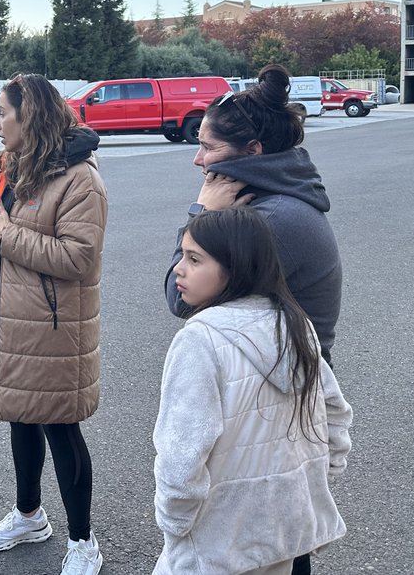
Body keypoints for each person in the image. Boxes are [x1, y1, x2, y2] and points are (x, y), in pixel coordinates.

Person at [0, 73, 108, 575]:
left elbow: (79, 258)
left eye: (3, 113)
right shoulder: (13, 164)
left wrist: (6, 232)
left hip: (51, 327)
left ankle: (83, 541)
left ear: (31, 117)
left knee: (60, 429)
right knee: (20, 416)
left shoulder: (80, 179)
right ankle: (29, 516)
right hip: (4, 315)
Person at [153, 208, 352, 574]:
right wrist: (319, 477)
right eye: (183, 255)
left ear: (235, 267)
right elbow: (334, 414)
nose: (178, 268)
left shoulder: (199, 341)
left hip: (216, 541)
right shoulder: (295, 324)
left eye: (194, 259)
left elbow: (181, 457)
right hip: (281, 530)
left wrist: (175, 523)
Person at [164, 64, 343, 365]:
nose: (198, 159)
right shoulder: (275, 197)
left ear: (252, 151)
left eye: (208, 147)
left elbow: (180, 298)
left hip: (283, 381)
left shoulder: (271, 219)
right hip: (270, 368)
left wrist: (201, 214)